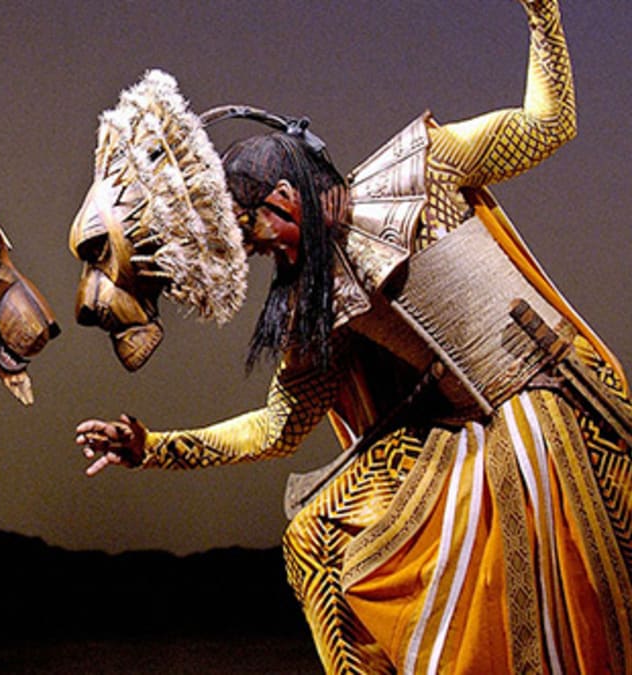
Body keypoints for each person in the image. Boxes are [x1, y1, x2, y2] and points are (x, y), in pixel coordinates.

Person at [71, 0, 632, 671]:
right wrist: (153, 447)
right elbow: (278, 429)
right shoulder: (316, 304)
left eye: (257, 236)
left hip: (557, 407)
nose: (263, 254)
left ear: (284, 199)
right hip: (468, 436)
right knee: (314, 535)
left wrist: (544, 18)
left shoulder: (428, 170)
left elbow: (548, 124)